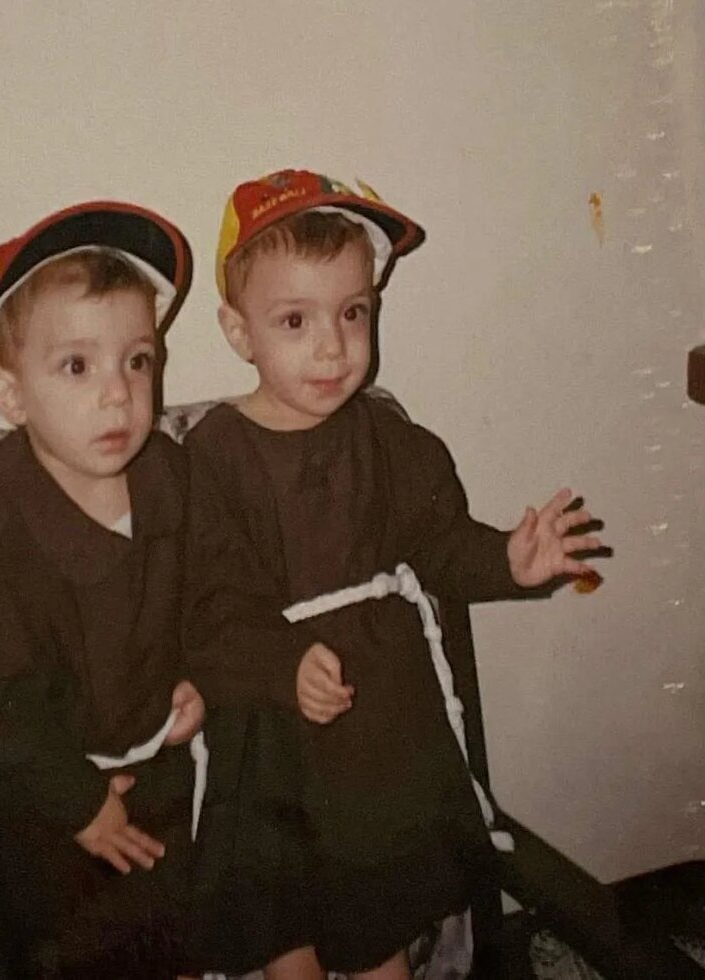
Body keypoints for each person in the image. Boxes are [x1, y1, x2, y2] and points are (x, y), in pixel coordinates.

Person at [182, 169, 604, 980]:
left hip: (378, 738)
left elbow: (442, 544)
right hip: (269, 737)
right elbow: (206, 605)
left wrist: (510, 562)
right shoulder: (212, 459)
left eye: (354, 312)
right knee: (284, 928)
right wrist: (280, 663)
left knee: (381, 930)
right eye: (295, 320)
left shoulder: (393, 441)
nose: (333, 346)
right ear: (239, 332)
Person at [0, 201, 204, 979]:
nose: (117, 394)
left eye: (136, 361)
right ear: (11, 396)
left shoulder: (172, 481)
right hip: (48, 814)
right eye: (78, 366)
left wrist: (200, 680)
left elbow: (214, 597)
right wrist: (77, 802)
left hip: (163, 789)